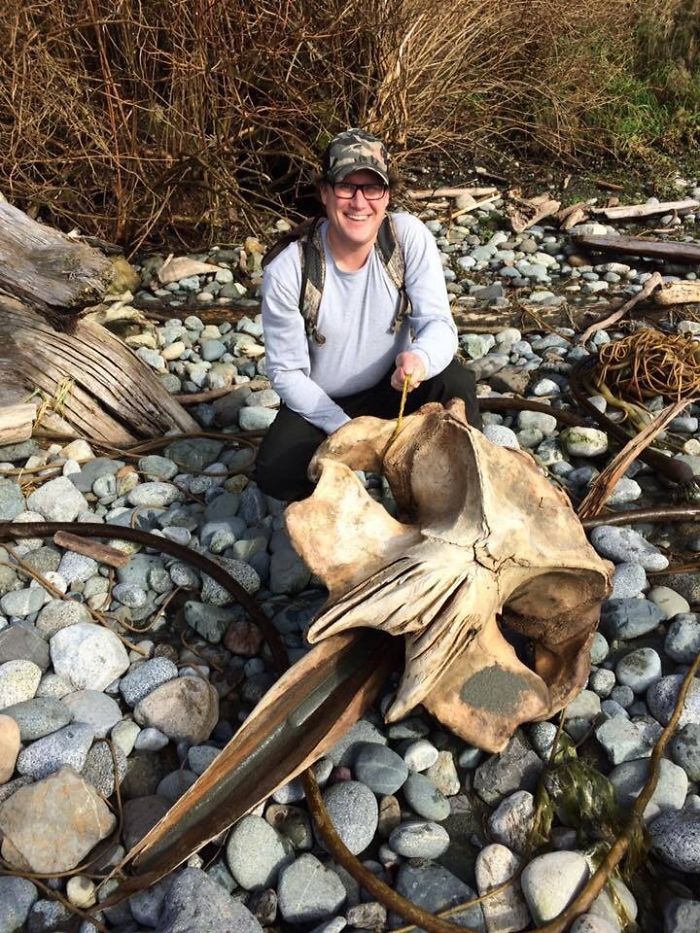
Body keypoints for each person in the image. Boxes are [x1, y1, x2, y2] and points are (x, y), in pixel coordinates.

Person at [255, 128, 480, 501]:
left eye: (372, 188)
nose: (359, 202)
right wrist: (348, 429)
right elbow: (287, 373)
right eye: (346, 187)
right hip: (326, 404)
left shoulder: (407, 238)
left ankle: (461, 489)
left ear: (387, 195)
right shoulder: (288, 270)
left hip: (398, 385)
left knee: (454, 383)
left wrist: (420, 359)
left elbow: (439, 324)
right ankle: (358, 492)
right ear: (325, 193)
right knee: (276, 470)